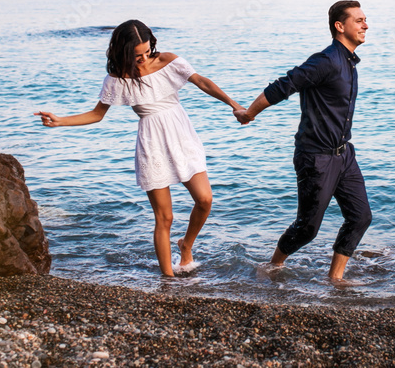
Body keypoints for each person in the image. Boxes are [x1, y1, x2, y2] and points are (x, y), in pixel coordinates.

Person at [35, 19, 243, 277]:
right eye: (137, 55)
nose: (143, 58)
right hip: (152, 143)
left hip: (181, 136)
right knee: (164, 218)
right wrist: (60, 121)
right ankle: (168, 280)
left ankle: (186, 244)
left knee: (205, 200)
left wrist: (234, 105)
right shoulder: (117, 79)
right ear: (123, 52)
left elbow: (201, 81)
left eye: (147, 51)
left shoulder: (168, 61)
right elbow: (97, 114)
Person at [235, 0, 372, 281]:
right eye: (358, 20)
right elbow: (284, 85)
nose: (365, 25)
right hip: (316, 157)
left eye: (364, 20)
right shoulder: (326, 61)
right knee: (308, 228)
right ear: (340, 26)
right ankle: (273, 265)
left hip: (344, 155)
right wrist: (250, 112)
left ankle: (335, 279)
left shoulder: (348, 61)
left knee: (360, 217)